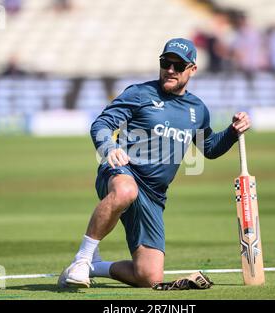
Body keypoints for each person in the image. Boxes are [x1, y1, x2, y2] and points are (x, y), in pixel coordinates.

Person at [57, 38, 251, 288]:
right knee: (127, 191)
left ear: (192, 69)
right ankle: (82, 258)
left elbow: (210, 148)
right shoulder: (140, 93)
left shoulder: (198, 109)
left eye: (178, 65)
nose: (170, 69)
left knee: (149, 277)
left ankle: (94, 266)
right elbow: (101, 123)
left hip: (154, 194)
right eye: (165, 63)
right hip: (122, 171)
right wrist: (109, 147)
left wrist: (233, 132)